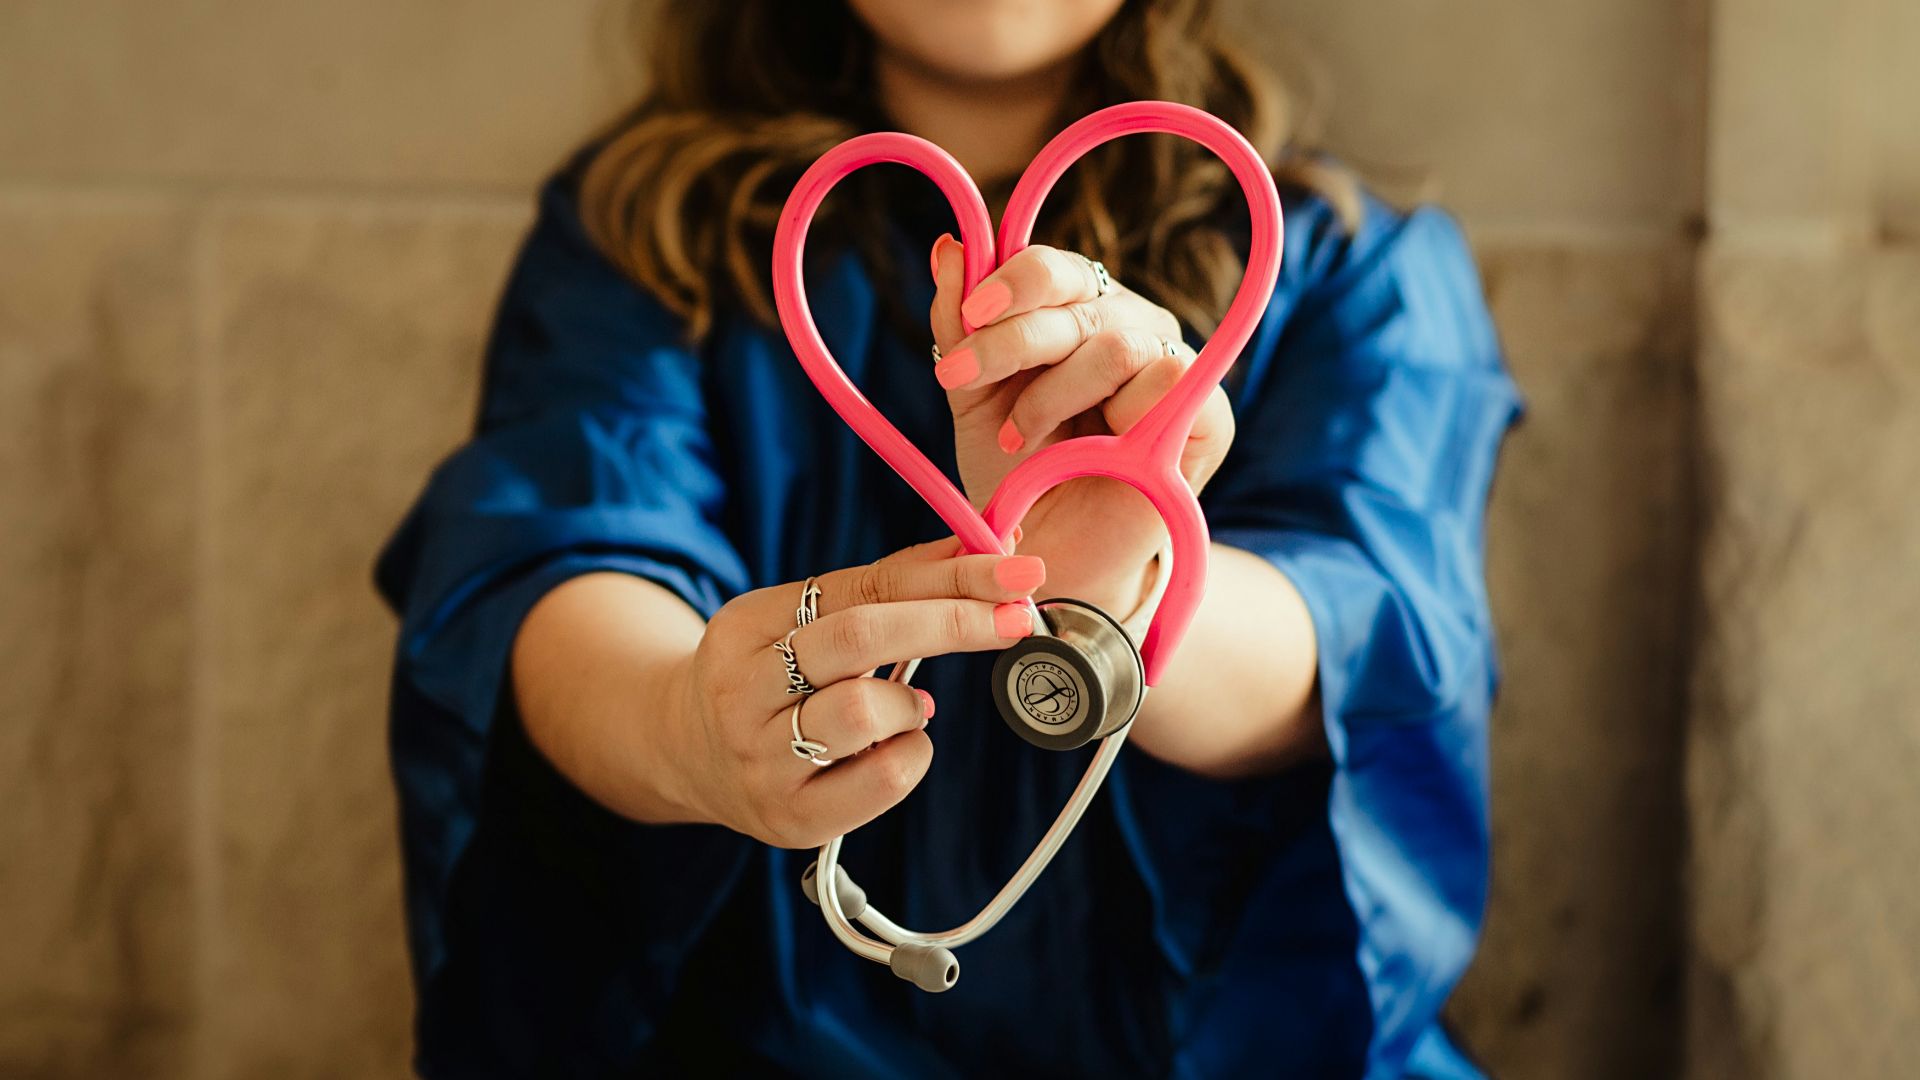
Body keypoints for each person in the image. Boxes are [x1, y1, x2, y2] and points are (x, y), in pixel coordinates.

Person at [375, 0, 1521, 1075]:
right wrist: (683, 728)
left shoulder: (1352, 268)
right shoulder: (639, 239)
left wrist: (1120, 588)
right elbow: (553, 556)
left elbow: (1368, 631)